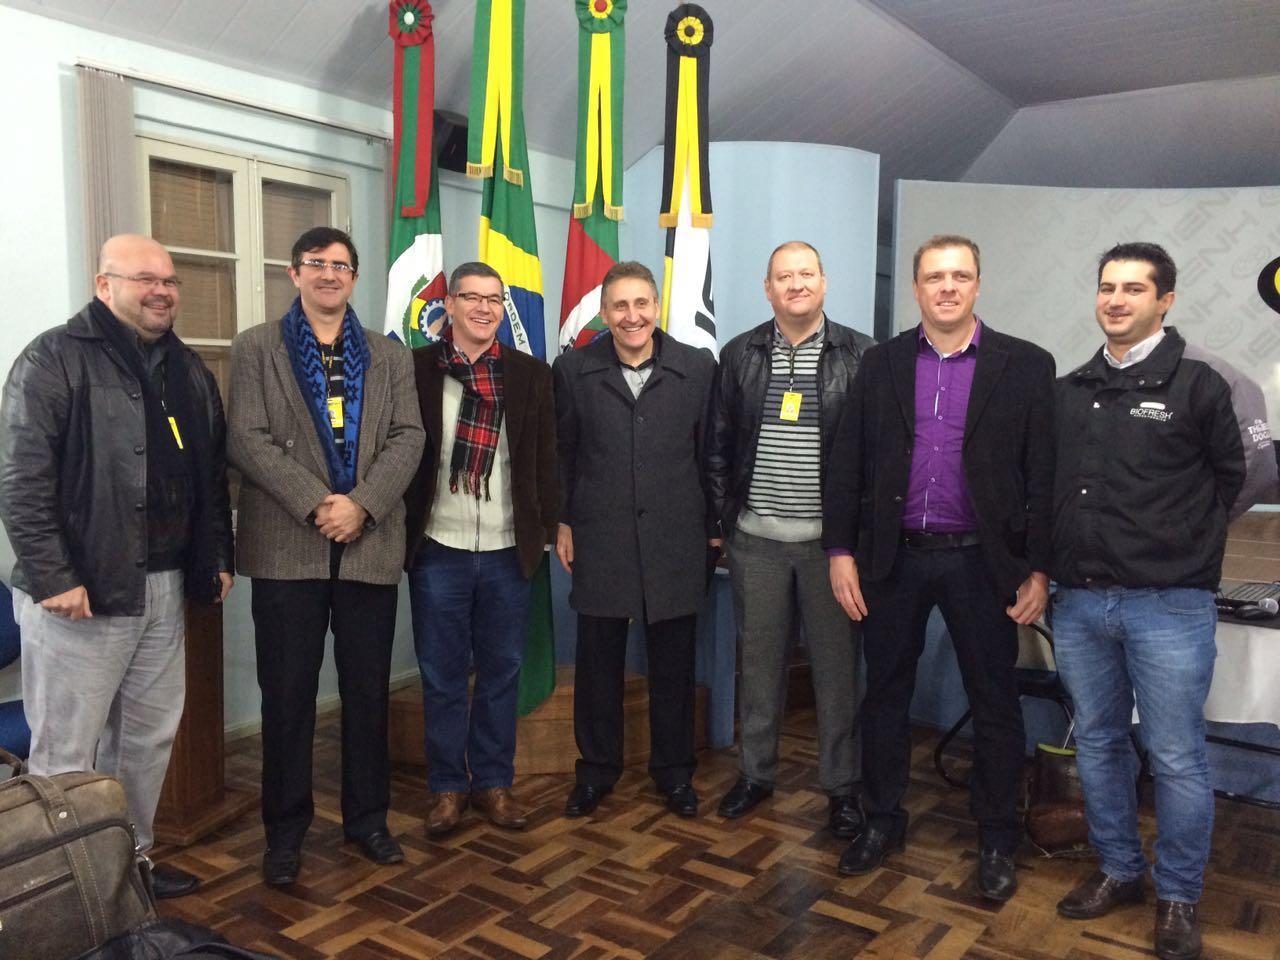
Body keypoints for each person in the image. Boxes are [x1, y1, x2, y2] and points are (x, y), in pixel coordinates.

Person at [1051, 242, 1274, 960]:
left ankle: (1179, 896)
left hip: (1170, 605)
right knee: (1099, 745)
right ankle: (1120, 870)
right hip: (1081, 604)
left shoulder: (1206, 381)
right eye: (1107, 287)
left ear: (1165, 300)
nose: (1116, 300)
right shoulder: (1072, 386)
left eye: (1134, 289)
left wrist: (1184, 532)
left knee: (1177, 757)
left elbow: (1248, 476)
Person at [0, 234, 234, 899]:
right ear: (105, 285)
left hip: (164, 588)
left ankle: (127, 870)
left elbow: (210, 478)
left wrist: (216, 555)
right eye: (144, 279)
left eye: (170, 279)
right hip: (82, 592)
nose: (161, 290)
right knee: (67, 752)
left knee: (147, 740)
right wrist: (54, 577)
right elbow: (20, 481)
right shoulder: (53, 358)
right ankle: (59, 890)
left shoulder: (187, 369)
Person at [823, 234, 1056, 901]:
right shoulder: (882, 364)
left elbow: (1043, 474)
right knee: (885, 694)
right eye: (934, 277)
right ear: (917, 289)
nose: (947, 287)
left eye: (959, 276)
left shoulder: (1026, 366)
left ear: (978, 284)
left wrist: (1038, 569)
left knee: (995, 699)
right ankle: (882, 819)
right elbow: (848, 465)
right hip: (893, 561)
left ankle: (995, 836)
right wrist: (840, 551)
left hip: (984, 564)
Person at [228, 226, 424, 886]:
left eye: (342, 265)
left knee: (367, 694)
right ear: (294, 272)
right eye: (318, 264)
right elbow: (248, 440)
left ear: (355, 278)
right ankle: (285, 834)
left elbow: (409, 438)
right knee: (287, 698)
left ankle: (367, 820)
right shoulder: (256, 348)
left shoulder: (388, 356)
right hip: (289, 549)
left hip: (367, 548)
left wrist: (361, 504)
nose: (330, 275)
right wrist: (320, 503)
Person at [705, 241, 874, 838]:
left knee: (836, 674)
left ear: (824, 283)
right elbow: (719, 445)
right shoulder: (740, 353)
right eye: (784, 276)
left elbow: (874, 458)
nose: (796, 284)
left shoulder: (861, 355)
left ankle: (842, 789)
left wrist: (851, 541)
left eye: (806, 274)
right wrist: (729, 523)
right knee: (759, 668)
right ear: (768, 288)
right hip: (757, 542)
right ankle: (755, 774)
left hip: (830, 550)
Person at [554, 261, 717, 818]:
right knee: (597, 664)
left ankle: (674, 774)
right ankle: (596, 771)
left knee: (673, 664)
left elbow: (710, 456)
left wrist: (712, 530)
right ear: (604, 313)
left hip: (676, 537)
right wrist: (564, 521)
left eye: (641, 304)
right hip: (600, 535)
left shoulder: (697, 368)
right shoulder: (573, 369)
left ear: (657, 308)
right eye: (620, 306)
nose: (632, 316)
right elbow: (563, 455)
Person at [402, 262, 557, 836]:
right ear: (452, 303)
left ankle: (493, 782)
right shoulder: (415, 369)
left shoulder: (530, 375)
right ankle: (446, 789)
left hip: (506, 548)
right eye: (471, 297)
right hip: (437, 546)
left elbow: (544, 459)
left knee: (502, 672)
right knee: (441, 675)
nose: (484, 308)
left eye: (495, 299)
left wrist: (546, 529)